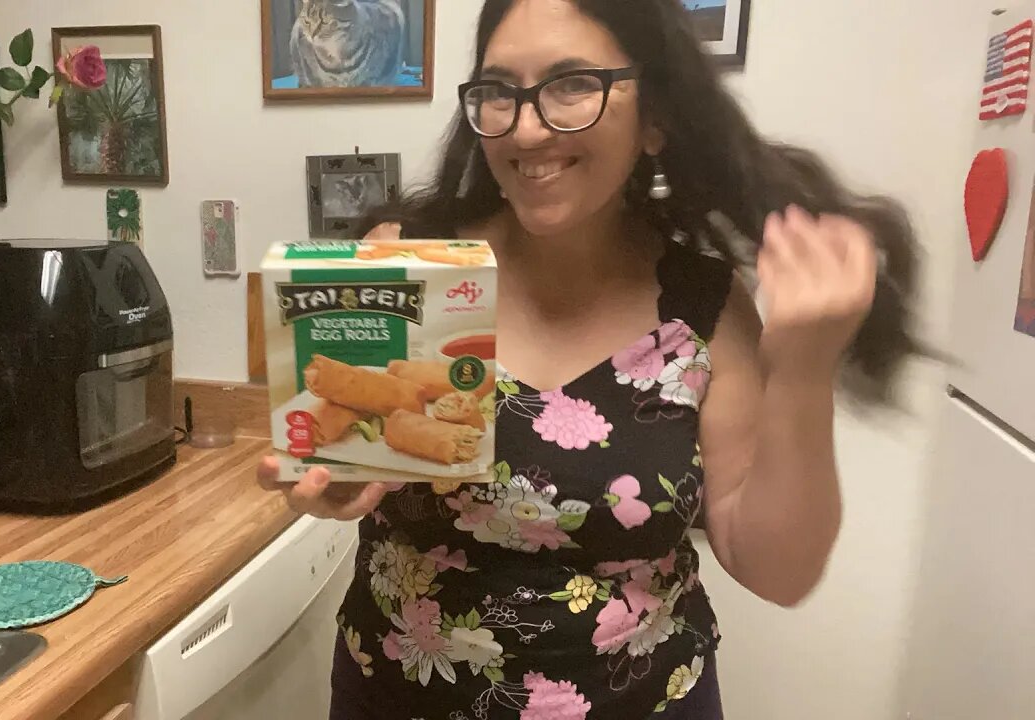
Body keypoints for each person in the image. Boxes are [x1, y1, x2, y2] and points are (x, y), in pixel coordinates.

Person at [258, 0, 922, 717]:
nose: (527, 125)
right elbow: (351, 445)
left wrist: (804, 371)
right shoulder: (411, 263)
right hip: (399, 696)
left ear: (656, 117)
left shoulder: (703, 308)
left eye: (573, 84)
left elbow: (779, 572)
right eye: (499, 91)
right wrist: (333, 485)